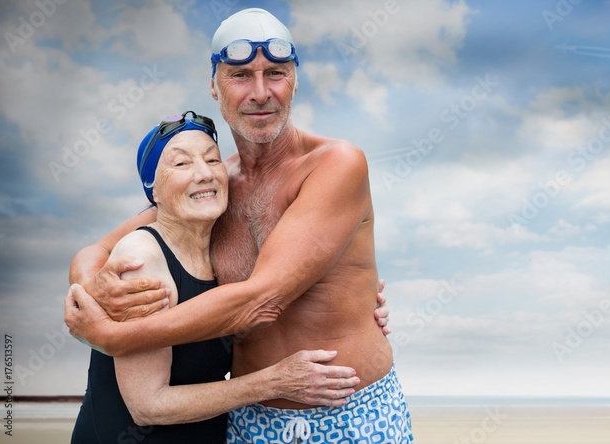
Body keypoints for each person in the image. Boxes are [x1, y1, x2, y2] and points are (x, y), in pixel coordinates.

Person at [65, 7, 414, 443]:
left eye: (276, 74)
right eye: (241, 75)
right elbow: (93, 252)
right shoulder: (212, 189)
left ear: (296, 81)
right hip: (250, 421)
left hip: (350, 414)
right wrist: (90, 290)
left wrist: (113, 336)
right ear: (214, 86)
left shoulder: (335, 164)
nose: (261, 92)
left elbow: (262, 297)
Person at [71, 112, 356, 443]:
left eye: (212, 159)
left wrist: (360, 298)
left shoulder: (222, 247)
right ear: (153, 190)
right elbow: (148, 406)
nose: (204, 174)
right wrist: (275, 382)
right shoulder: (141, 259)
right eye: (181, 165)